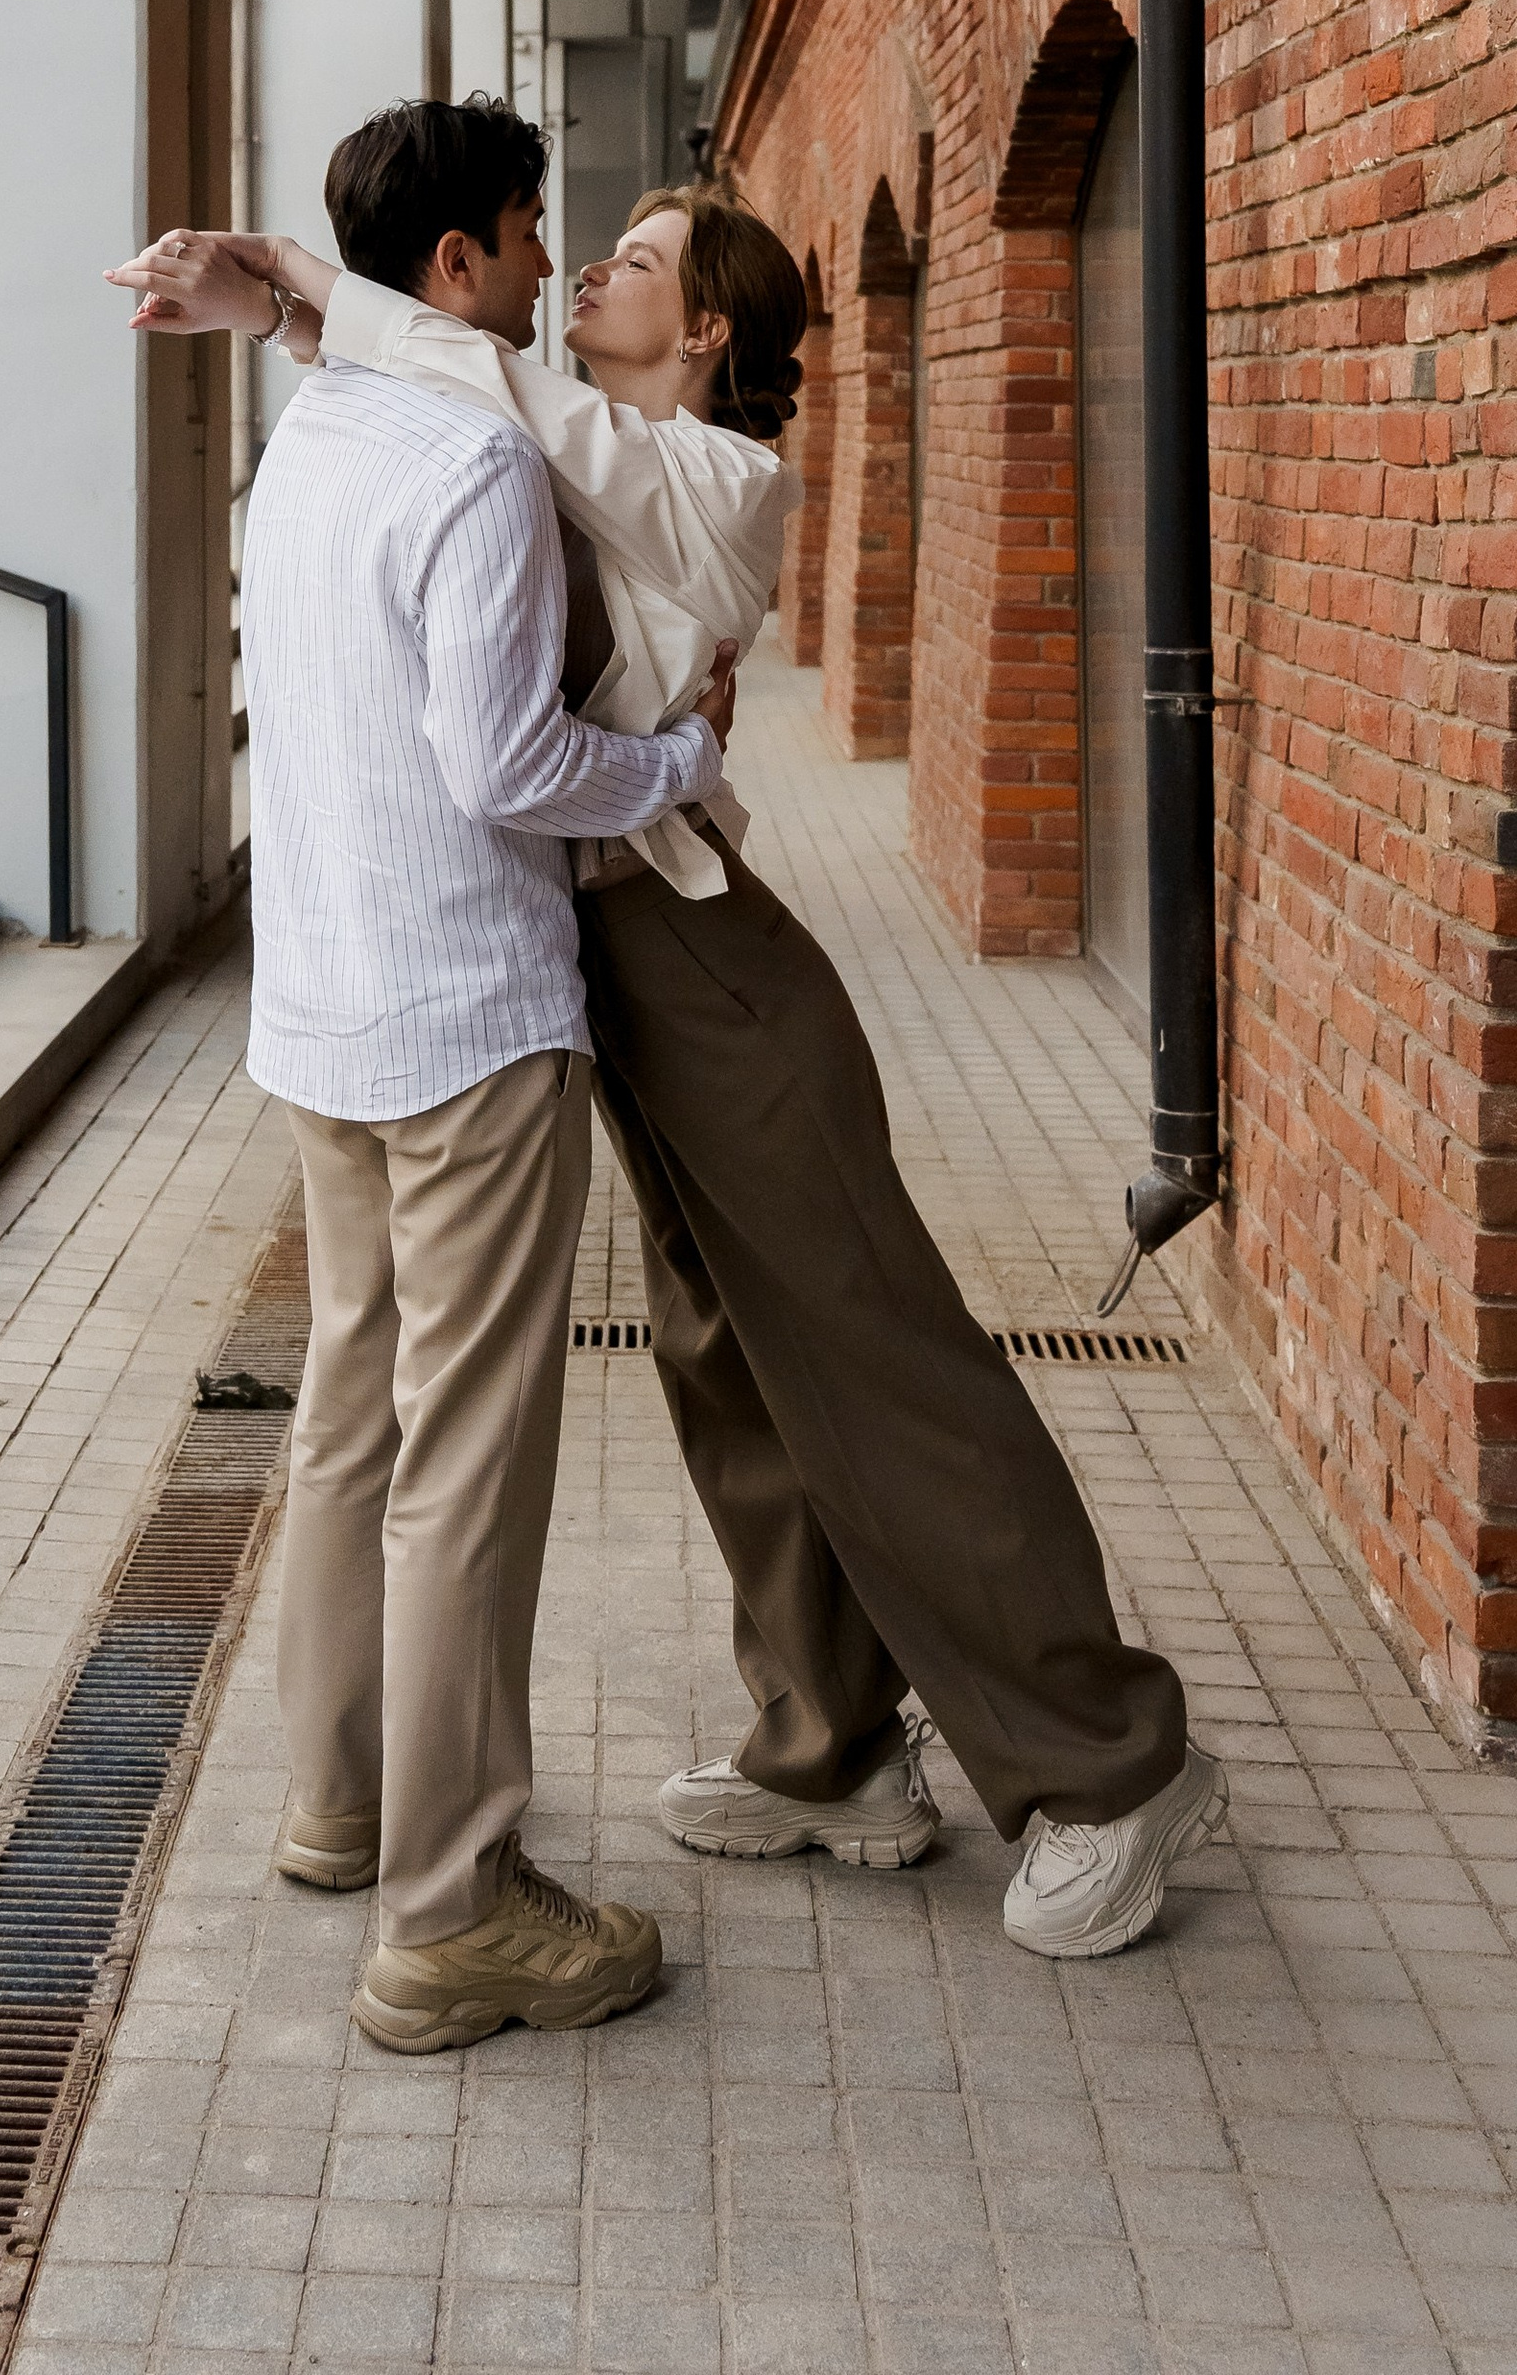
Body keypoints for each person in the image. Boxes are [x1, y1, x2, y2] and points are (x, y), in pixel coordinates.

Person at [114, 162, 1227, 1964]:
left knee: (875, 1350)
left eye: (628, 264)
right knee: (725, 1353)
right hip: (596, 952)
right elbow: (462, 423)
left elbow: (512, 406)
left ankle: (1109, 1765)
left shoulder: (719, 476)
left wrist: (307, 281)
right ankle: (834, 1749)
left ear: (702, 327)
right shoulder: (554, 452)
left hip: (705, 956)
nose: (581, 283)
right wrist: (292, 317)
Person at [123, 99, 741, 2053]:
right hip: (467, 1026)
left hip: (318, 1017)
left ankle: (341, 1802)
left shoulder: (308, 444)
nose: (555, 267)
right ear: (457, 263)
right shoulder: (471, 459)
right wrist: (670, 769)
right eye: (534, 230)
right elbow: (500, 767)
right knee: (460, 1469)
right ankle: (450, 1912)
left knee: (350, 1419)